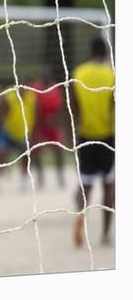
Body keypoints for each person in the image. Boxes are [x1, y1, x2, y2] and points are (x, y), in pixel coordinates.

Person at [72, 37, 115, 247]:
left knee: (85, 185)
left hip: (84, 135)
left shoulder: (79, 73)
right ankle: (106, 235)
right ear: (107, 53)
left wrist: (73, 131)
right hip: (108, 136)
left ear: (90, 52)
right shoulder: (112, 75)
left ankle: (80, 216)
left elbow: (73, 106)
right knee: (109, 186)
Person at [0, 86, 37, 193]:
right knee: (0, 154)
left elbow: (37, 115)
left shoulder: (32, 98)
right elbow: (1, 114)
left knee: (27, 156)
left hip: (24, 134)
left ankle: (23, 181)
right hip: (8, 131)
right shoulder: (9, 98)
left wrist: (34, 131)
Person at [30, 70, 65, 189]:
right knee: (36, 151)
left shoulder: (55, 89)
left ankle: (60, 175)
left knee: (58, 150)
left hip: (52, 125)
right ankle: (40, 177)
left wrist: (54, 119)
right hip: (39, 125)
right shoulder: (35, 87)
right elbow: (31, 105)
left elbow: (60, 108)